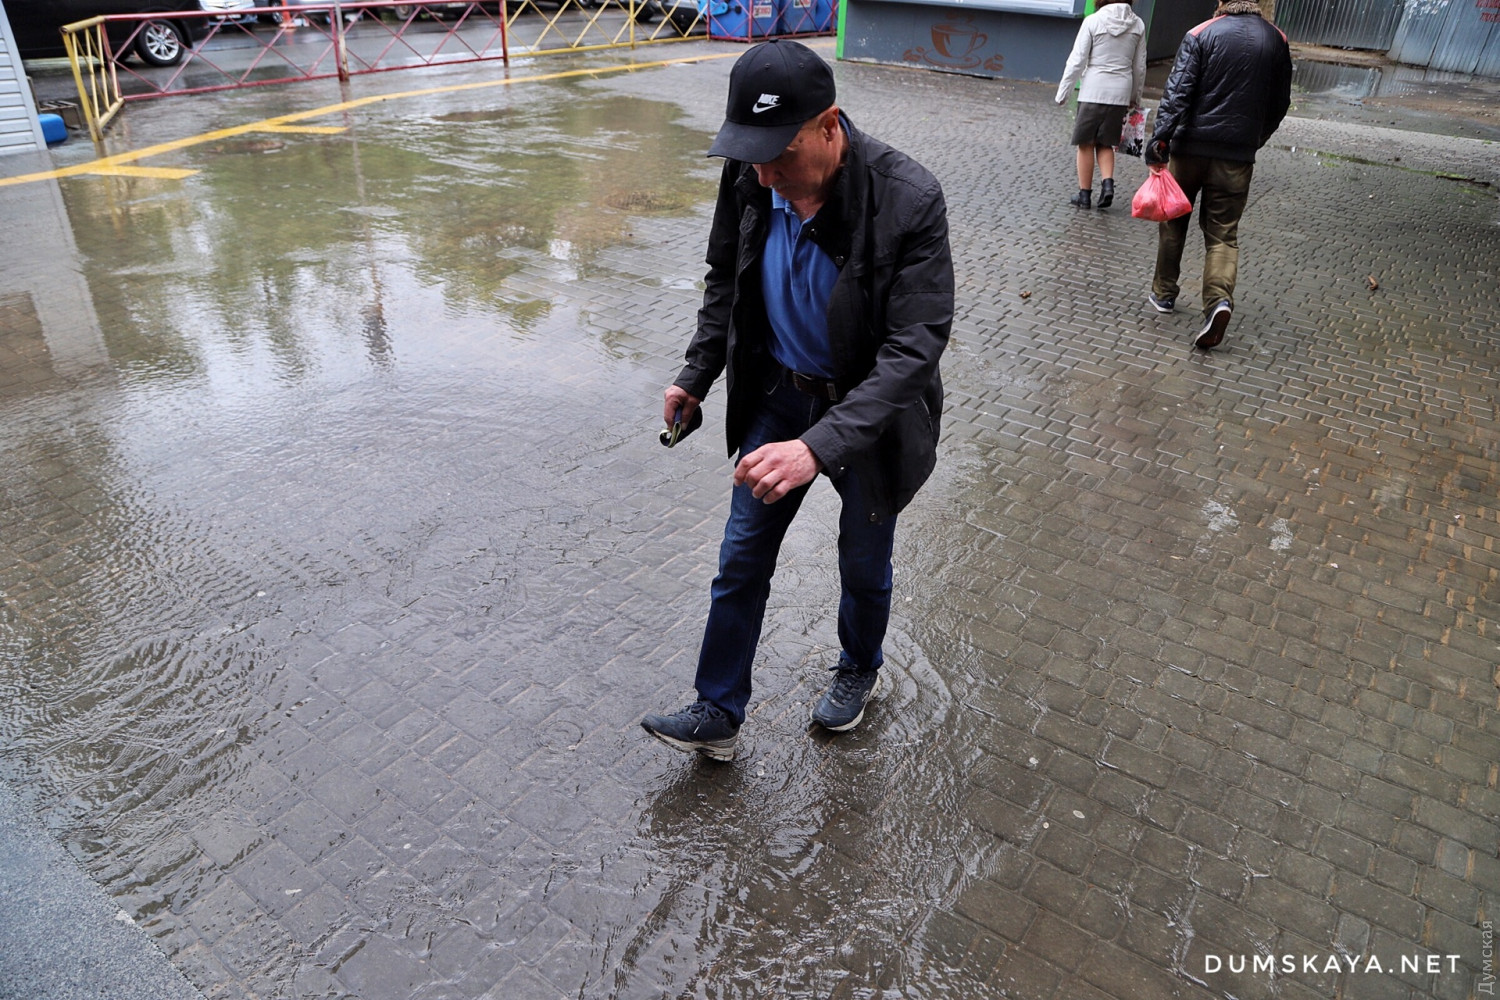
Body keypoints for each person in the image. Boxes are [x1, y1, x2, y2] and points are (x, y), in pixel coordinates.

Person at [641, 40, 954, 762]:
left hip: (869, 415)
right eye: (751, 156)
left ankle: (859, 666)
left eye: (780, 157)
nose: (764, 176)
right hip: (778, 393)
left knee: (863, 563)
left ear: (829, 126)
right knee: (741, 554)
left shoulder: (908, 198)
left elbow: (914, 349)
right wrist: (697, 373)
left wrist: (818, 447)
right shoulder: (751, 170)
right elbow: (727, 276)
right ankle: (718, 708)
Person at [1145, 0, 1292, 350]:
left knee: (1173, 220)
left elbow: (1177, 93)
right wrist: (1256, 139)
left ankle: (1164, 293)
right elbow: (1280, 102)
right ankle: (1218, 303)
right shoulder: (1277, 40)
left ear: (1222, 2)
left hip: (1189, 149)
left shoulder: (1201, 33)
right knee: (1223, 234)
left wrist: (1160, 140)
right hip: (1237, 156)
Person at [1054, 0, 1147, 210]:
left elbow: (1077, 60)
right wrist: (1135, 97)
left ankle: (1084, 195)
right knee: (1106, 143)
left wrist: (1063, 92)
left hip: (1093, 90)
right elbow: (1139, 66)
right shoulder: (1138, 24)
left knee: (1085, 143)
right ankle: (1107, 184)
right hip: (1120, 92)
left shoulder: (1092, 21)